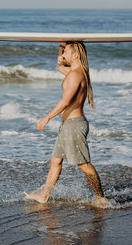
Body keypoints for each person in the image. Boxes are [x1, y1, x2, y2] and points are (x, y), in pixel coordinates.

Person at [24, 41, 107, 206]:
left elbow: (65, 101)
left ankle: (101, 199)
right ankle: (44, 195)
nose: (63, 55)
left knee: (83, 163)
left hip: (74, 125)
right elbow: (59, 65)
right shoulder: (74, 72)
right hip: (68, 125)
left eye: (66, 52)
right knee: (55, 161)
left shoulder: (76, 75)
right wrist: (62, 45)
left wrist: (47, 118)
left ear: (75, 55)